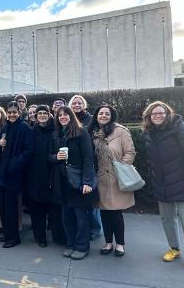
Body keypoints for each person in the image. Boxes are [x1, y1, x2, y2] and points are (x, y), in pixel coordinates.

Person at [142, 101, 184, 272]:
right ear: (149, 116)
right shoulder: (149, 133)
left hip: (183, 184)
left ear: (168, 113)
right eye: (154, 113)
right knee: (167, 219)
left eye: (161, 112)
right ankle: (174, 249)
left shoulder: (180, 129)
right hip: (162, 184)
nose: (158, 116)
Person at [50, 106, 97, 260]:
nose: (63, 117)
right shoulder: (56, 134)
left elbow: (89, 158)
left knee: (81, 217)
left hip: (77, 181)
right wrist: (56, 157)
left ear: (71, 116)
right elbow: (48, 157)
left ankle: (82, 247)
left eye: (66, 114)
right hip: (62, 182)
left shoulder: (81, 132)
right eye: (60, 115)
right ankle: (70, 245)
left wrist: (87, 181)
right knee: (66, 217)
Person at [90, 104, 135, 257]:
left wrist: (121, 167)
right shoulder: (94, 134)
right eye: (100, 113)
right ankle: (108, 242)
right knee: (104, 213)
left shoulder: (121, 131)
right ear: (96, 116)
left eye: (106, 114)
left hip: (117, 178)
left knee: (116, 213)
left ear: (112, 116)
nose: (103, 116)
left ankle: (120, 244)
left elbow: (130, 152)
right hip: (101, 178)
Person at [0, 102, 34, 248]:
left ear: (19, 113)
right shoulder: (6, 126)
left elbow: (28, 152)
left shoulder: (25, 127)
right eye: (9, 112)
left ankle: (14, 237)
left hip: (13, 174)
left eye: (14, 112)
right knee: (2, 205)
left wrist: (13, 164)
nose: (12, 115)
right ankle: (7, 234)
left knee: (11, 207)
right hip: (2, 173)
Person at [26, 105, 65, 247]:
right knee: (36, 208)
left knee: (54, 207)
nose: (42, 115)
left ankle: (58, 236)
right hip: (34, 175)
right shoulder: (31, 131)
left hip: (52, 173)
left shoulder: (55, 131)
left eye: (45, 113)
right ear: (35, 116)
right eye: (39, 113)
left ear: (49, 115)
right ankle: (40, 236)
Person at [69, 94, 101, 239]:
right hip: (75, 163)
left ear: (84, 105)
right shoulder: (68, 119)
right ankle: (84, 228)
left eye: (79, 103)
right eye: (74, 103)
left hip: (89, 161)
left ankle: (94, 228)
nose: (76, 105)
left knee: (90, 199)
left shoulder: (90, 119)